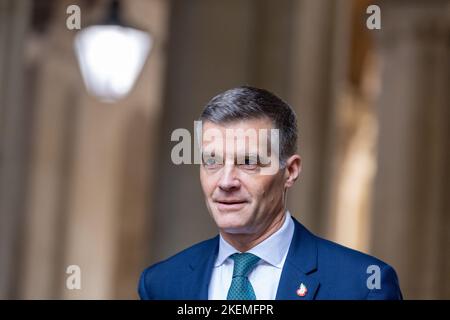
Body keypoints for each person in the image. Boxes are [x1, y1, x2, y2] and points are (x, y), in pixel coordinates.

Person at [138, 86, 402, 300]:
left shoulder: (363, 286)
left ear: (290, 171)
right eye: (212, 162)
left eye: (248, 162)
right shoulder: (161, 284)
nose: (226, 181)